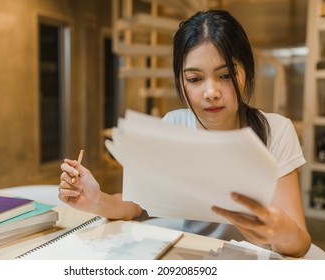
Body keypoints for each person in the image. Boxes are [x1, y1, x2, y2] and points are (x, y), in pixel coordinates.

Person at [59, 9, 311, 257]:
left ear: (247, 72)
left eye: (225, 75)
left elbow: (299, 244)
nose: (211, 92)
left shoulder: (276, 130)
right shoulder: (173, 125)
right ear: (180, 81)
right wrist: (95, 199)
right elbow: (137, 205)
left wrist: (277, 231)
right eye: (194, 79)